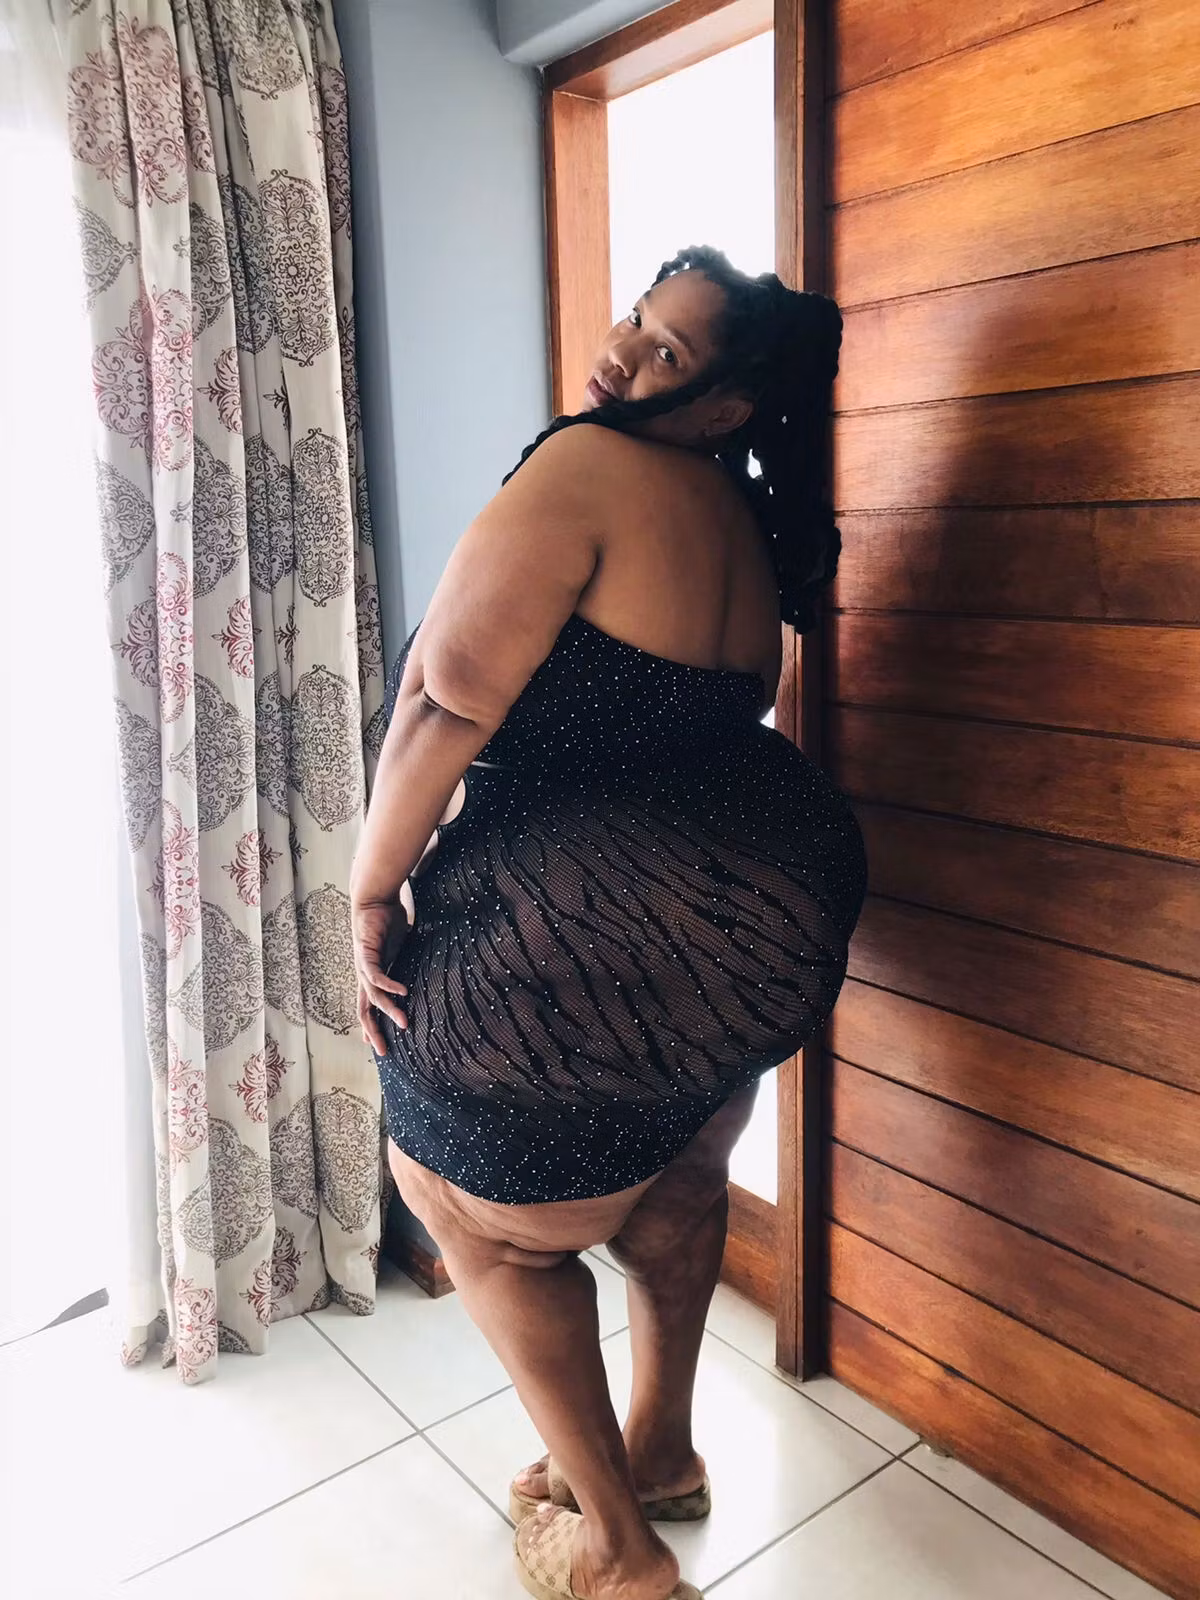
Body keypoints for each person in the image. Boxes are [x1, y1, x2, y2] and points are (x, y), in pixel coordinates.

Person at [349, 244, 868, 1600]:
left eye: (669, 353)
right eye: (638, 320)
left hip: (590, 926)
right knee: (681, 1181)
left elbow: (445, 699)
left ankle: (623, 1557)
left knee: (476, 1218)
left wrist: (369, 887)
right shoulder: (743, 523)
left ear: (725, 405)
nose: (624, 353)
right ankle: (663, 1451)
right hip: (755, 925)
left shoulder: (584, 467)